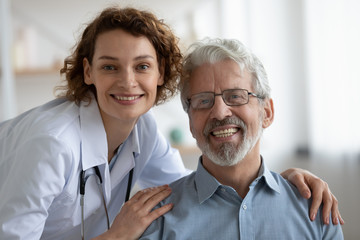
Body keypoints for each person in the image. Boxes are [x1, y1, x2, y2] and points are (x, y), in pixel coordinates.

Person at [0, 7, 342, 240]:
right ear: (88, 71)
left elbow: (197, 188)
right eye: (109, 66)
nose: (128, 81)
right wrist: (117, 236)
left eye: (142, 66)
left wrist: (274, 185)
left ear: (161, 72)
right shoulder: (50, 144)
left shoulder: (143, 130)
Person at [140, 38, 344, 239]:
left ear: (267, 113)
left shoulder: (315, 207)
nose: (220, 112)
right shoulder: (157, 218)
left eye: (236, 96)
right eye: (203, 100)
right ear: (191, 123)